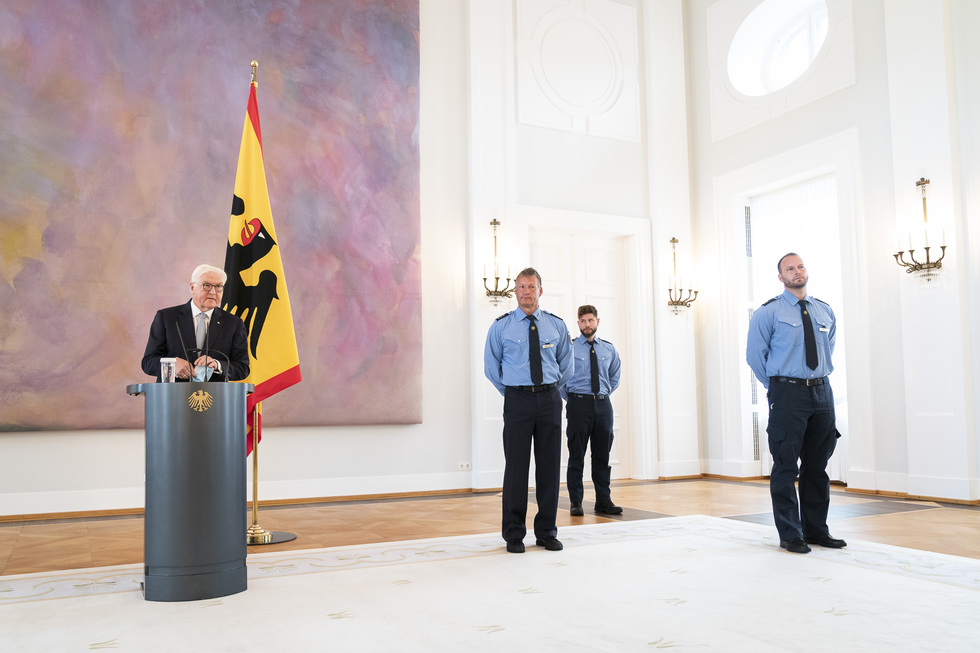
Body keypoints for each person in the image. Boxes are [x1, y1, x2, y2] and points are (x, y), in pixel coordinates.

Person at [746, 253, 845, 554]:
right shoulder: (768, 313)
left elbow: (828, 349)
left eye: (800, 266)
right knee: (786, 466)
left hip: (822, 393)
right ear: (781, 277)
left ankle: (816, 530)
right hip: (787, 394)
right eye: (790, 268)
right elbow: (755, 356)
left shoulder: (824, 310)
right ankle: (790, 533)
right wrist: (778, 387)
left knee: (818, 466)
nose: (797, 271)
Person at [484, 267, 573, 553]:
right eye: (521, 287)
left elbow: (566, 366)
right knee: (516, 469)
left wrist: (548, 390)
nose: (526, 291)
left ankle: (547, 532)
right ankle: (513, 534)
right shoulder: (501, 326)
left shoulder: (556, 325)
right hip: (517, 401)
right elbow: (491, 368)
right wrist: (513, 391)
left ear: (540, 291)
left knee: (548, 467)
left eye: (531, 287)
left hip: (549, 400)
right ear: (515, 291)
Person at [560, 305, 622, 516]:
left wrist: (601, 395)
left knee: (602, 456)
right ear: (578, 323)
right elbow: (560, 378)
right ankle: (576, 502)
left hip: (603, 406)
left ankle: (604, 501)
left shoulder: (609, 349)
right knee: (576, 455)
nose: (587, 325)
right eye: (583, 321)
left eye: (590, 320)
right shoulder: (569, 348)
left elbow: (614, 377)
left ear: (597, 321)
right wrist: (574, 399)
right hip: (578, 405)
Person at [142, 264, 250, 382]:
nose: (213, 292)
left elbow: (242, 368)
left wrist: (217, 365)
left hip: (215, 397)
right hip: (172, 396)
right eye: (207, 285)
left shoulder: (234, 324)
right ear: (192, 287)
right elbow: (148, 362)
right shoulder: (167, 317)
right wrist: (172, 365)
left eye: (219, 286)